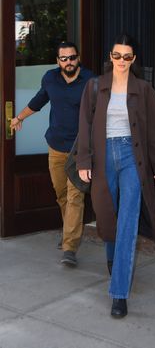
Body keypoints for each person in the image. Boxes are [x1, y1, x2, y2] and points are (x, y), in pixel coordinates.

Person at [77, 33, 155, 318]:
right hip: (104, 156)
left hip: (133, 157)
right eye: (117, 55)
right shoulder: (94, 87)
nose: (121, 61)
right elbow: (84, 124)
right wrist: (84, 159)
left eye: (127, 56)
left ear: (134, 59)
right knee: (108, 215)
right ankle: (113, 259)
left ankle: (119, 294)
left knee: (128, 223)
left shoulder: (143, 90)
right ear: (110, 56)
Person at [10, 41, 95, 267]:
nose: (69, 62)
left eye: (72, 58)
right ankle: (70, 231)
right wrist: (19, 117)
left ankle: (69, 247)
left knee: (75, 196)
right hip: (56, 147)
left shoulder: (90, 80)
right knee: (61, 194)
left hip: (79, 150)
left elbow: (99, 112)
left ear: (78, 58)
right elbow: (39, 100)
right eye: (64, 58)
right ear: (58, 61)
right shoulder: (50, 78)